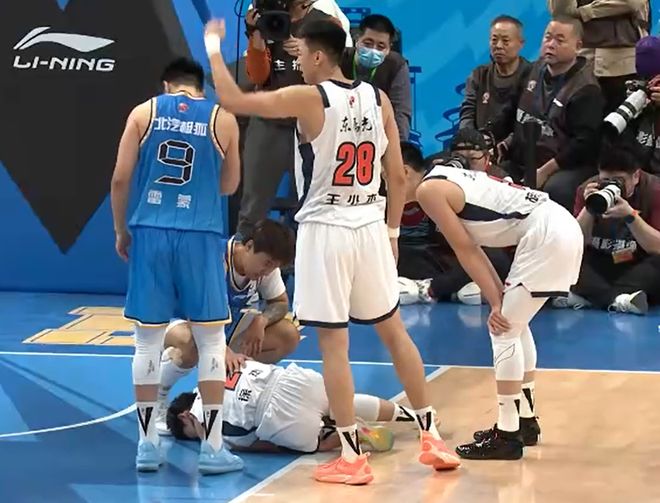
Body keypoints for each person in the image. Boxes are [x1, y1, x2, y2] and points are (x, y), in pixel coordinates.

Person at [203, 18, 461, 484]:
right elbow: (396, 176)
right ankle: (432, 435)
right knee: (395, 333)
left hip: (326, 229)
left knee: (334, 346)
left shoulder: (310, 98)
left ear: (319, 55)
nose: (298, 62)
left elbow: (234, 100)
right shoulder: (377, 98)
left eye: (301, 54)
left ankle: (351, 456)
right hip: (370, 225)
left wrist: (214, 48)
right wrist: (392, 234)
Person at [403, 149, 584, 460]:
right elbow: (474, 249)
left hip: (547, 234)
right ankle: (525, 421)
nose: (385, 186)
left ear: (405, 171)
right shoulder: (444, 178)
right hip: (555, 226)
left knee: (503, 330)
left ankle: (508, 434)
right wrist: (497, 298)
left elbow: (465, 249)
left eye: (386, 176)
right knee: (515, 326)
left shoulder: (428, 191)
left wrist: (496, 302)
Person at [110, 57, 242, 474]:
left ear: (166, 85)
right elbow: (229, 185)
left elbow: (120, 179)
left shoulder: (143, 112)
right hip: (200, 234)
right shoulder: (223, 118)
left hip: (150, 230)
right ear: (201, 87)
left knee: (147, 342)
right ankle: (213, 448)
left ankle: (147, 445)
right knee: (211, 341)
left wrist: (121, 231)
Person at [154, 219, 299, 433]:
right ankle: (158, 395)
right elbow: (197, 316)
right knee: (192, 344)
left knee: (288, 335)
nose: (268, 271)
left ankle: (228, 386)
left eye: (274, 267)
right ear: (249, 246)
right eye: (267, 263)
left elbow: (280, 302)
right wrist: (222, 349)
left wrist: (262, 320)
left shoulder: (264, 270)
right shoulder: (213, 259)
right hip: (183, 324)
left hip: (226, 330)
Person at [164, 351, 420, 454]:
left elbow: (259, 444)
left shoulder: (201, 417)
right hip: (296, 379)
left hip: (280, 416)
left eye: (188, 433)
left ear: (185, 415)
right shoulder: (217, 370)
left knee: (315, 443)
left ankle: (351, 434)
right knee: (343, 403)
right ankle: (416, 416)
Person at [239, 0, 347, 239]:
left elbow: (338, 74)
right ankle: (243, 257)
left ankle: (308, 257)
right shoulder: (268, 18)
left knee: (313, 203)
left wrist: (310, 52)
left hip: (310, 126)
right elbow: (258, 76)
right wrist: (256, 34)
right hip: (268, 122)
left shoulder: (327, 23)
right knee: (253, 207)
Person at [501, 16, 604, 210]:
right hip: (524, 159)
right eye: (547, 37)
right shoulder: (532, 70)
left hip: (564, 166)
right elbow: (511, 112)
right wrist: (496, 144)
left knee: (555, 189)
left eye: (559, 40)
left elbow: (583, 144)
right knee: (492, 175)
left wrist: (545, 171)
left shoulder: (586, 89)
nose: (551, 44)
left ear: (578, 46)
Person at [398, 131, 513, 306]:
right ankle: (447, 290)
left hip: (494, 249)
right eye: (459, 158)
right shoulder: (440, 177)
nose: (465, 164)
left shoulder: (499, 180)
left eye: (473, 159)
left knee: (491, 257)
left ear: (486, 158)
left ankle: (431, 289)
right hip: (451, 253)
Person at [554, 144, 660, 313]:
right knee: (560, 256)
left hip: (637, 263)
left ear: (636, 176)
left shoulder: (654, 190)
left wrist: (631, 216)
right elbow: (575, 243)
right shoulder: (587, 189)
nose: (612, 186)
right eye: (605, 180)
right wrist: (589, 208)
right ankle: (620, 300)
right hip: (600, 261)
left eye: (619, 180)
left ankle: (590, 296)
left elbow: (657, 247)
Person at [548, 0, 650, 114]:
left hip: (621, 64)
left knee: (620, 120)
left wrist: (585, 11)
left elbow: (633, 2)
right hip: (580, 62)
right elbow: (561, 12)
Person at [459, 15, 531, 144]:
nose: (498, 46)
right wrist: (471, 142)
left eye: (505, 41)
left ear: (521, 43)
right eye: (494, 40)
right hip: (479, 146)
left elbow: (529, 123)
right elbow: (467, 112)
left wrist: (501, 148)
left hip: (516, 147)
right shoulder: (479, 75)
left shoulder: (532, 77)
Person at [340, 14, 412, 140]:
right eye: (368, 43)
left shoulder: (397, 65)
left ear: (389, 48)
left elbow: (401, 112)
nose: (373, 50)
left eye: (381, 46)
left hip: (378, 136)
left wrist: (399, 146)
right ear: (357, 39)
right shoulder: (339, 58)